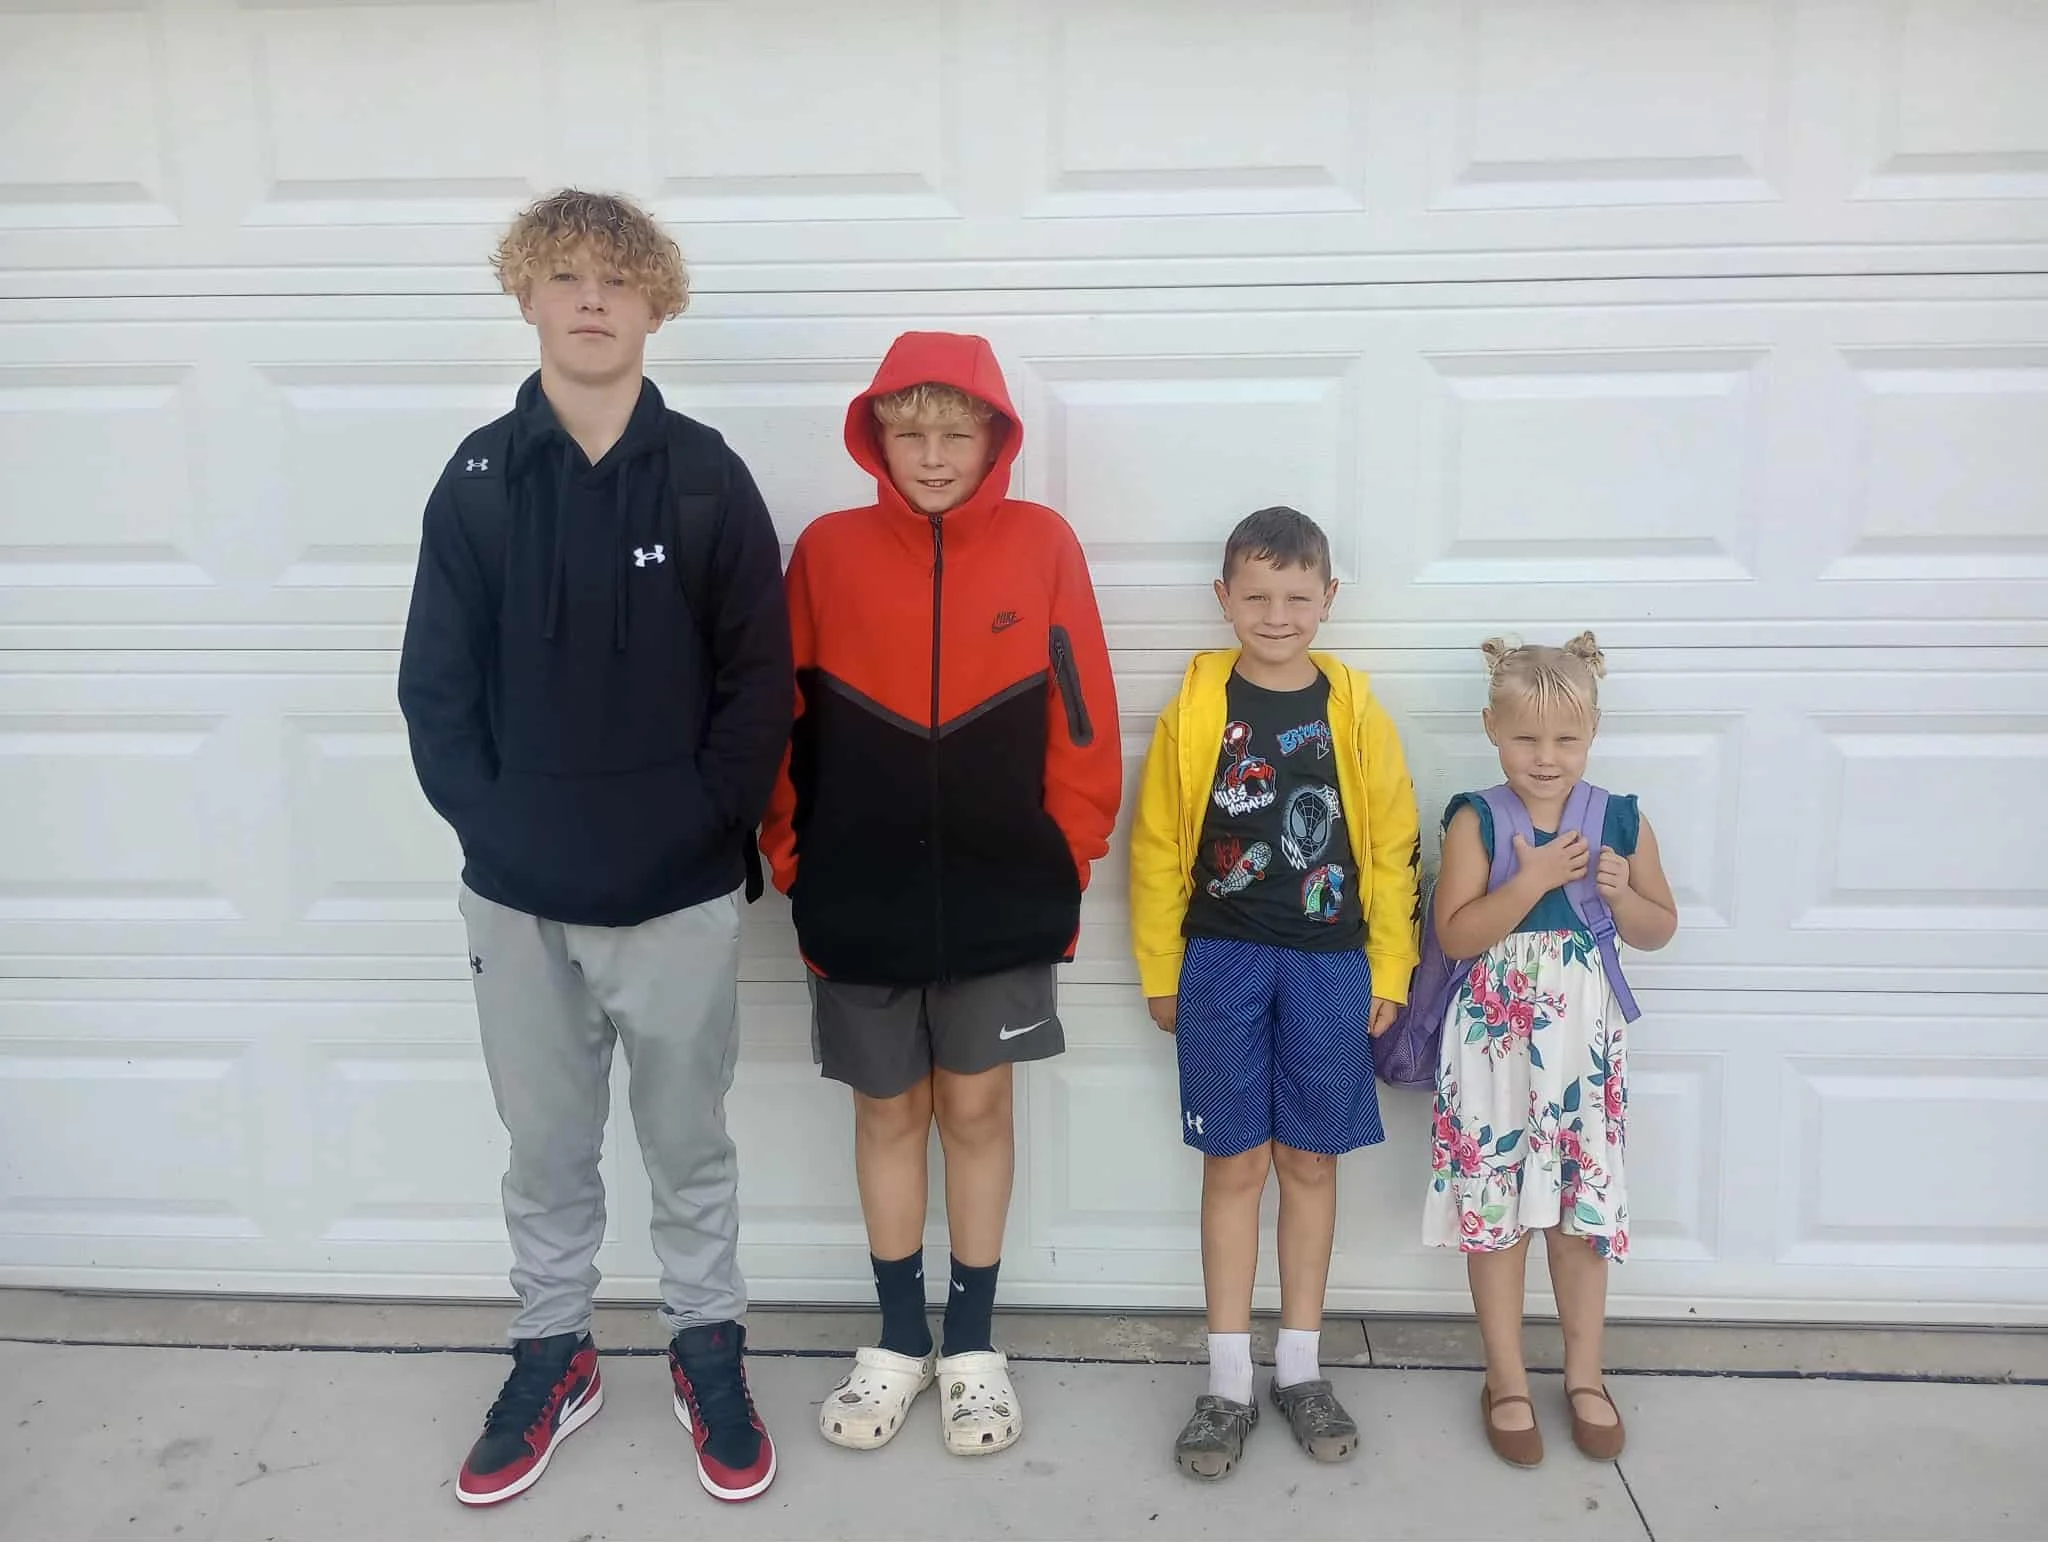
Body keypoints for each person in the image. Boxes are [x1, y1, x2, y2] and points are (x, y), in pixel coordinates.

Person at [396, 189, 792, 1506]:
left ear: (655, 302)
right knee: (546, 1146)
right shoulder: (476, 481)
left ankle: (706, 1342)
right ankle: (552, 1350)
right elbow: (435, 691)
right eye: (562, 274)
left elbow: (759, 683)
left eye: (618, 279)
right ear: (524, 293)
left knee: (690, 1142)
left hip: (675, 894)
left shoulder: (706, 477)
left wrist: (699, 823)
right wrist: (496, 828)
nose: (590, 298)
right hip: (520, 899)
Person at [759, 330, 1122, 1457]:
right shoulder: (823, 550)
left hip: (1002, 897)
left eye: (952, 432)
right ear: (876, 436)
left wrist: (1065, 856)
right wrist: (791, 856)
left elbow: (1083, 713)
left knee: (975, 1110)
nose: (929, 453)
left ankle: (970, 1347)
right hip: (854, 895)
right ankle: (896, 1339)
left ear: (992, 438)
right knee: (884, 1111)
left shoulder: (1041, 542)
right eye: (907, 431)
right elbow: (781, 715)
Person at [1128, 506, 1421, 1481]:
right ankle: (1224, 1384)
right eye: (1254, 595)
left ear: (1328, 600)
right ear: (1223, 599)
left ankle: (1299, 1367)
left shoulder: (1353, 710)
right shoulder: (1197, 707)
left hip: (1330, 965)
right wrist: (1161, 969)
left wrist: (1387, 968)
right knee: (1232, 1168)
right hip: (1220, 961)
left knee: (1307, 1164)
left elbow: (1390, 840)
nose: (1276, 613)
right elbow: (1158, 843)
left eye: (1297, 596)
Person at [1422, 634, 1678, 1467]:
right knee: (1497, 1220)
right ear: (1491, 728)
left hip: (1579, 1057)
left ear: (1593, 733)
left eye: (1566, 740)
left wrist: (1618, 893)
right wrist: (1528, 883)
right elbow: (1456, 934)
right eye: (1526, 738)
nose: (1546, 758)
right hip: (1495, 1053)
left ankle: (1584, 1375)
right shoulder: (1477, 818)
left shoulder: (1618, 819)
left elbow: (1658, 928)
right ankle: (1505, 1379)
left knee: (1577, 1223)